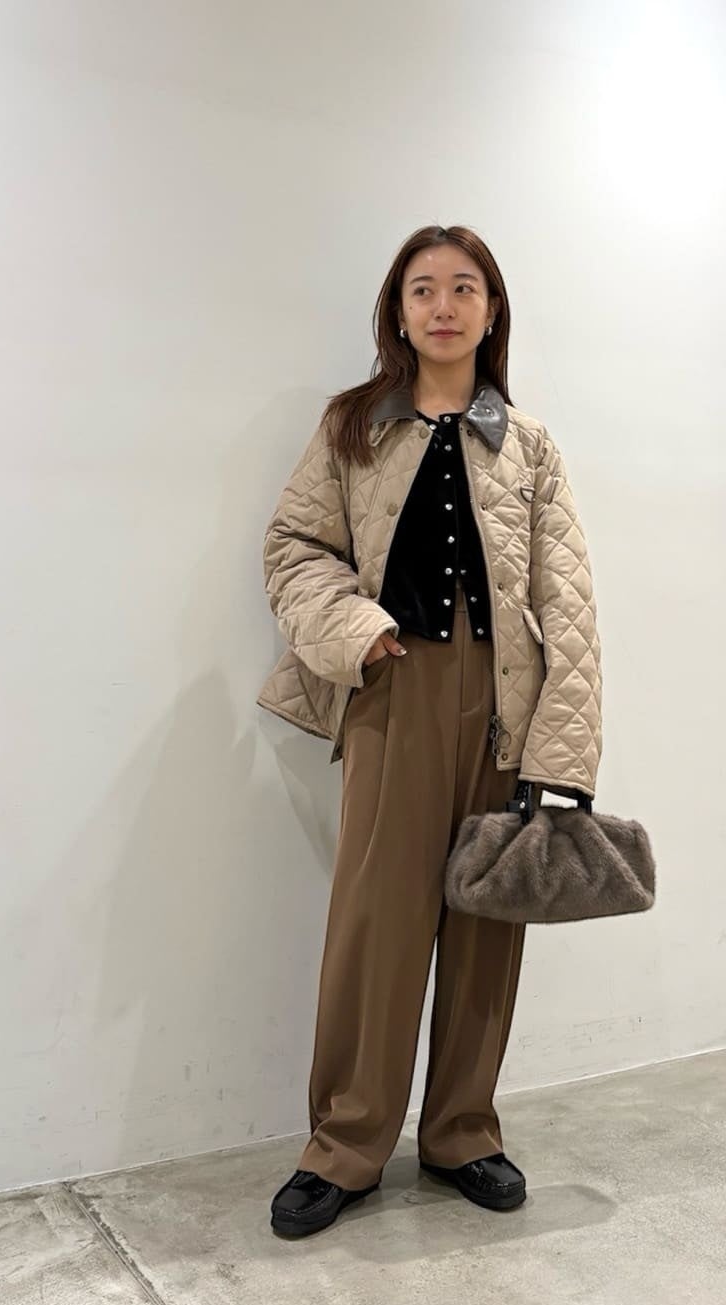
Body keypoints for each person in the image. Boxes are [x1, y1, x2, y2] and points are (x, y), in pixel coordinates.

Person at [258, 223, 603, 1237]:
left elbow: (568, 602)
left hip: (501, 703)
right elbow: (293, 546)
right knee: (377, 924)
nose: (443, 306)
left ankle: (462, 1133)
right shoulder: (352, 427)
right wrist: (353, 631)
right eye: (422, 289)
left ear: (491, 313)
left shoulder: (529, 446)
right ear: (398, 312)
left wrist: (562, 751)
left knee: (488, 921)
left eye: (463, 288)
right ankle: (345, 1144)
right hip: (391, 687)